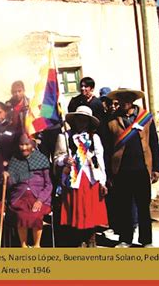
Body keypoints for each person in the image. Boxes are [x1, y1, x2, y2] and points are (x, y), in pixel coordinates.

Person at [105, 88, 159, 248]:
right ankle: (125, 238)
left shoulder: (146, 118)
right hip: (121, 170)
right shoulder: (112, 120)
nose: (125, 101)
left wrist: (156, 168)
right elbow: (108, 148)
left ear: (133, 100)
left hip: (142, 169)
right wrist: (109, 173)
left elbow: (154, 143)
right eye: (121, 99)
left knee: (143, 206)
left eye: (128, 98)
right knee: (123, 206)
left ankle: (146, 240)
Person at [54, 106, 108, 247]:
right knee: (75, 209)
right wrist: (65, 160)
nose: (81, 123)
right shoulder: (65, 137)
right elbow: (57, 158)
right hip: (73, 178)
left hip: (90, 177)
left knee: (90, 210)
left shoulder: (94, 138)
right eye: (79, 119)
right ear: (74, 120)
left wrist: (102, 181)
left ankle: (91, 237)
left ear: (88, 122)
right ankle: (78, 239)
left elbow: (100, 159)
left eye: (85, 120)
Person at [8, 134, 52, 248]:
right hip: (20, 196)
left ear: (32, 145)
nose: (23, 147)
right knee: (21, 214)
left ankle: (37, 245)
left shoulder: (41, 159)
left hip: (38, 196)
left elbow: (48, 185)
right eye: (21, 144)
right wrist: (7, 178)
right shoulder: (15, 160)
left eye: (26, 144)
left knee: (36, 214)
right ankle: (23, 245)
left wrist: (40, 200)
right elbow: (10, 183)